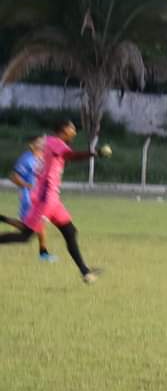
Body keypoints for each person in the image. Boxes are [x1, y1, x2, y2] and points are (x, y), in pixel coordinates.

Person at [18, 120, 101, 283]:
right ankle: (84, 271)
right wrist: (92, 153)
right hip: (46, 197)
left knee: (70, 232)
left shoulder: (50, 141)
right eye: (72, 128)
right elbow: (72, 156)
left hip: (53, 198)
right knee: (25, 236)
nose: (74, 131)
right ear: (63, 129)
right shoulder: (56, 142)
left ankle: (85, 272)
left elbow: (62, 158)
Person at [0, 135, 56, 261]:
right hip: (29, 198)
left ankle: (43, 253)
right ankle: (43, 254)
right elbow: (13, 177)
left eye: (43, 141)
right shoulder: (26, 159)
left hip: (41, 198)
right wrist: (27, 185)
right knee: (32, 227)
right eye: (39, 141)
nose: (43, 143)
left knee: (34, 226)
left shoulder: (43, 157)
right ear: (32, 145)